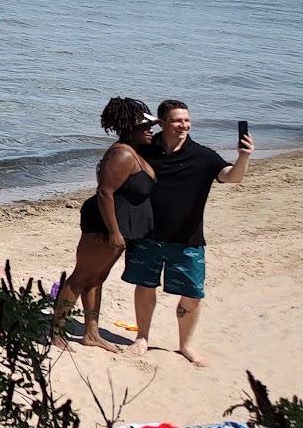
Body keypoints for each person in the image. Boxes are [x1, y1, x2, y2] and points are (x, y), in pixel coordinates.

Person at [124, 100, 254, 366]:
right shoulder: (144, 150)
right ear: (161, 123)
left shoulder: (202, 155)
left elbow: (231, 177)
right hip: (147, 235)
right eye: (176, 121)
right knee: (145, 286)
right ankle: (142, 337)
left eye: (187, 120)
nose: (183, 125)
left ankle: (185, 345)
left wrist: (244, 157)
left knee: (193, 293)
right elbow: (117, 169)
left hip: (188, 238)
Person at [51, 98, 156, 352]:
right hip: (103, 227)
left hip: (118, 227)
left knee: (96, 279)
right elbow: (104, 193)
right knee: (80, 278)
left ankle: (92, 333)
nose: (151, 130)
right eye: (145, 126)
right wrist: (114, 232)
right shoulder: (122, 154)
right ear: (130, 127)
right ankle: (56, 333)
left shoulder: (133, 152)